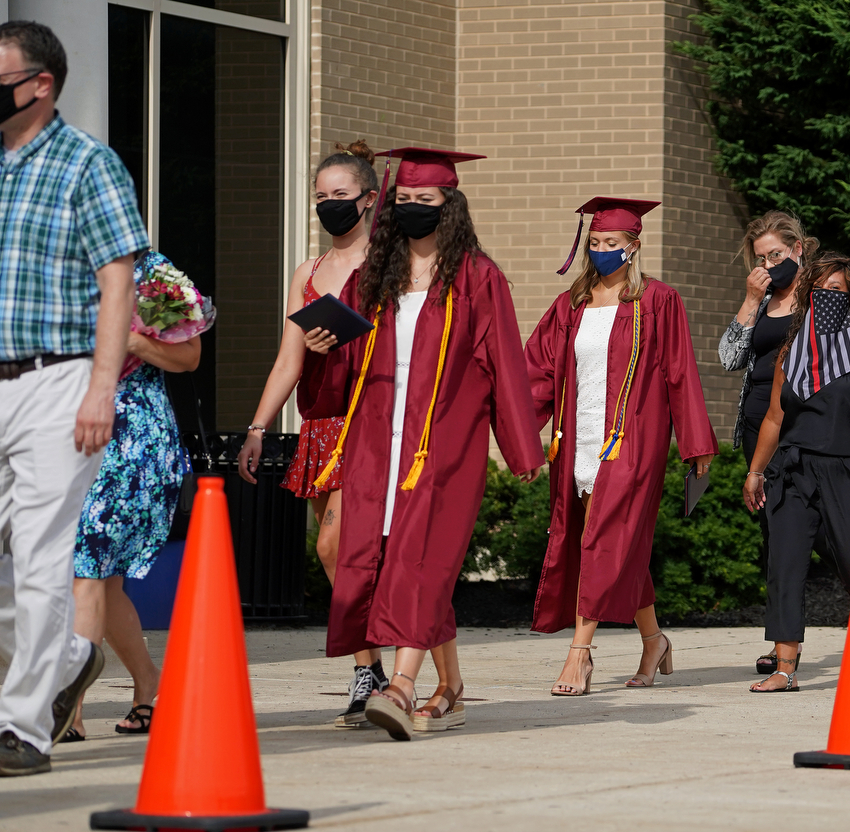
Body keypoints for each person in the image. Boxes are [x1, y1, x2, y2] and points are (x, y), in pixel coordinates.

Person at [299, 147, 544, 739]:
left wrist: (521, 448)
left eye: (424, 202)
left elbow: (506, 365)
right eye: (402, 201)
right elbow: (343, 374)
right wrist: (322, 354)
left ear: (450, 206)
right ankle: (451, 688)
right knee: (405, 563)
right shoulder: (371, 278)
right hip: (378, 443)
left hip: (444, 445)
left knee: (418, 558)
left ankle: (401, 686)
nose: (411, 210)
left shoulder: (478, 279)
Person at [0, 21, 148, 776]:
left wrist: (100, 384)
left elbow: (117, 281)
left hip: (57, 380)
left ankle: (21, 727)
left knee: (40, 555)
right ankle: (67, 656)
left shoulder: (89, 164)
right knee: (14, 572)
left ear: (41, 83)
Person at [526, 197, 717, 696]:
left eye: (612, 243)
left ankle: (579, 653)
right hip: (577, 439)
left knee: (602, 540)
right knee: (612, 544)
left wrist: (695, 441)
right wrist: (513, 423)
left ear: (634, 246)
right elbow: (538, 369)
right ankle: (653, 641)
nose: (602, 251)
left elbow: (680, 371)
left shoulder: (658, 300)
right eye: (595, 243)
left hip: (634, 441)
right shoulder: (572, 303)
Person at [235, 141, 386, 725]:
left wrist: (355, 340)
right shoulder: (309, 271)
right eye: (321, 197)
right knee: (337, 552)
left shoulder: (391, 265)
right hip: (321, 421)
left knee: (333, 545)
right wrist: (257, 429)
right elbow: (287, 361)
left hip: (371, 419)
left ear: (369, 200)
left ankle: (385, 667)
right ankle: (368, 666)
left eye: (340, 196)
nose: (329, 206)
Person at [719, 211, 850, 675]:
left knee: (841, 544)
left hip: (823, 430)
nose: (769, 263)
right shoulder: (765, 297)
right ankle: (783, 648)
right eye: (761, 258)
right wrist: (752, 299)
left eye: (776, 254)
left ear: (798, 249)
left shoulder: (829, 290)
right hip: (767, 426)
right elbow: (730, 357)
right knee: (781, 542)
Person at [64, 250, 202, 742]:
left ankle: (70, 708)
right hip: (63, 430)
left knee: (86, 569)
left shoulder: (154, 273)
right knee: (101, 582)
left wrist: (134, 341)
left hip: (130, 439)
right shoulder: (50, 265)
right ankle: (149, 682)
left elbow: (189, 358)